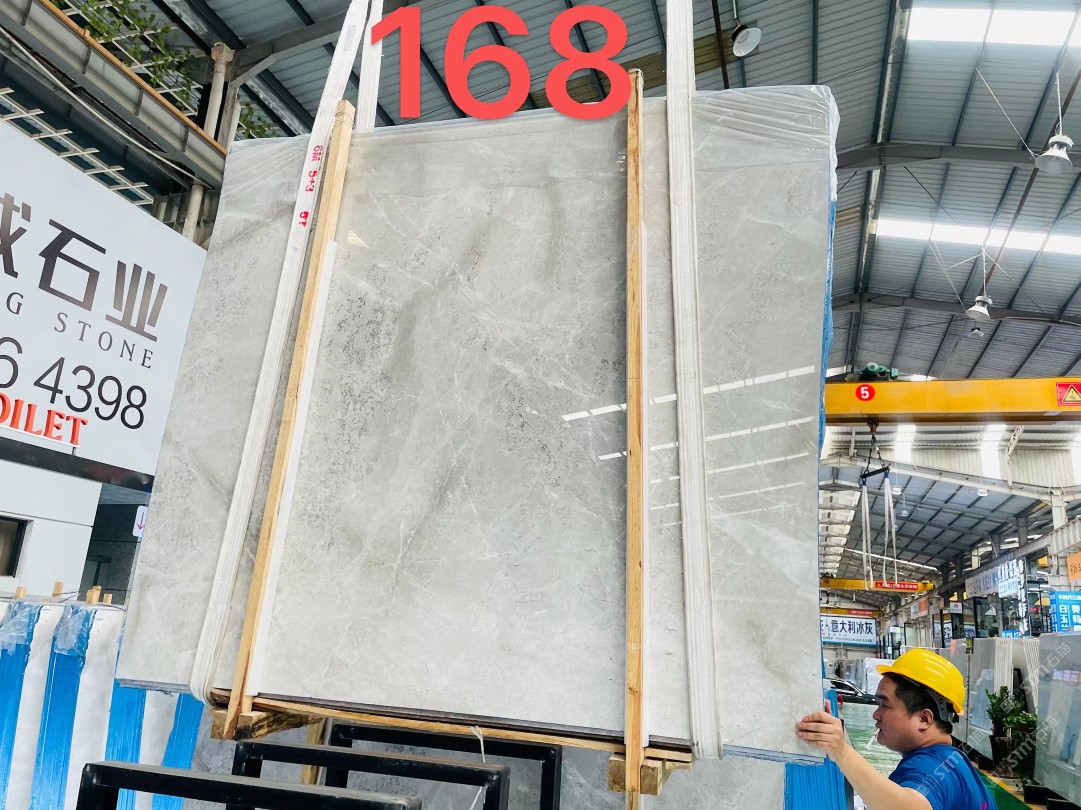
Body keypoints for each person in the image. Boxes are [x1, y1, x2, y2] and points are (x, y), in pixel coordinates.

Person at [796, 648, 997, 810]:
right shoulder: (954, 760)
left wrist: (841, 752)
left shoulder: (931, 766)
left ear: (924, 719)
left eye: (885, 705)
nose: (876, 715)